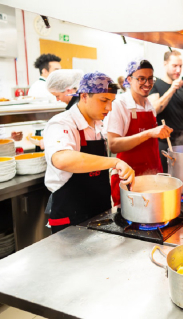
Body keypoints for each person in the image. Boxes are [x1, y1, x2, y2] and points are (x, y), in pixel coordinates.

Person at [43, 71, 134, 234]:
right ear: (84, 96)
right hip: (70, 221)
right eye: (104, 100)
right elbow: (62, 159)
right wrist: (115, 162)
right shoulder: (62, 123)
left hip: (99, 215)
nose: (109, 108)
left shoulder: (98, 126)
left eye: (112, 101)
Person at [105, 59, 172, 206]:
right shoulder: (119, 104)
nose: (147, 83)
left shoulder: (149, 106)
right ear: (129, 79)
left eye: (150, 79)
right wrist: (148, 133)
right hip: (129, 182)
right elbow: (114, 145)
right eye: (141, 78)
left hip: (152, 179)